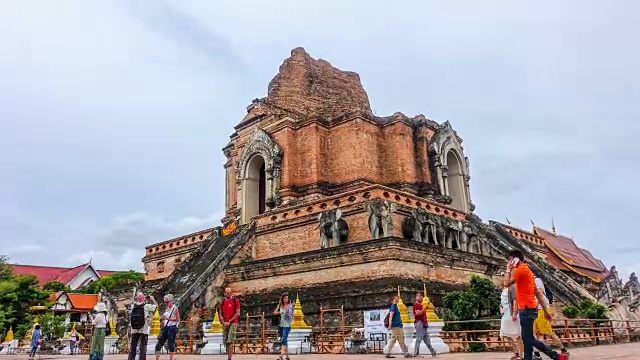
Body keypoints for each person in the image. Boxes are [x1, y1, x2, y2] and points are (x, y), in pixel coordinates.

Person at [504, 250, 559, 360]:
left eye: (510, 260)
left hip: (525, 308)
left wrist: (508, 270)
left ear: (516, 259)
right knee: (526, 338)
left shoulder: (520, 271)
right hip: (531, 308)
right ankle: (528, 358)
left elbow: (506, 283)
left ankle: (556, 356)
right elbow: (538, 294)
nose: (509, 262)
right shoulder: (528, 272)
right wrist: (545, 311)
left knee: (528, 339)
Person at [532, 274, 568, 359]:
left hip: (541, 310)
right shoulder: (531, 281)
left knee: (546, 332)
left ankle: (563, 350)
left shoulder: (537, 281)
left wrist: (535, 307)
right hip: (536, 310)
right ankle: (536, 354)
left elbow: (539, 294)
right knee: (534, 333)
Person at [128, 291, 158, 360]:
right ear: (143, 298)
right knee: (143, 346)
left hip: (134, 329)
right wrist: (153, 299)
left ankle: (131, 358)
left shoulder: (133, 306)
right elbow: (156, 307)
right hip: (143, 329)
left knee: (133, 346)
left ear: (137, 298)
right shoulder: (146, 306)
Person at [500, 285, 522, 360]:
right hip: (505, 313)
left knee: (518, 334)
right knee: (504, 334)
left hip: (512, 312)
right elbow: (501, 301)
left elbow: (515, 300)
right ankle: (515, 351)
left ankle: (520, 354)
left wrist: (514, 313)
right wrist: (500, 307)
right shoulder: (503, 289)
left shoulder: (513, 287)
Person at [155, 294, 180, 360]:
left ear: (171, 301)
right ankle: (157, 358)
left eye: (168, 302)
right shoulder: (167, 308)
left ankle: (171, 358)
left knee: (171, 343)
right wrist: (163, 322)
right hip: (166, 327)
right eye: (166, 302)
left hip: (172, 327)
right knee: (159, 343)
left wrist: (167, 319)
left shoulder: (175, 308)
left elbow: (177, 319)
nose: (167, 303)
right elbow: (165, 318)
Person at [219, 288, 241, 360]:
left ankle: (229, 358)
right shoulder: (222, 302)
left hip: (233, 322)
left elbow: (238, 313)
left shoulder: (235, 301)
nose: (228, 294)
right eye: (227, 293)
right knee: (226, 342)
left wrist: (229, 321)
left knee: (230, 341)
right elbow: (220, 313)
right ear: (224, 293)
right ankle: (229, 356)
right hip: (225, 323)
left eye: (230, 293)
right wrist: (223, 322)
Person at [413, 292, 436, 357]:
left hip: (424, 323)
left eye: (421, 296)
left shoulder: (421, 305)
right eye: (418, 296)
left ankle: (433, 351)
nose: (421, 298)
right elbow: (418, 313)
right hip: (419, 323)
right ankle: (416, 353)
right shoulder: (416, 305)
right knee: (419, 338)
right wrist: (425, 307)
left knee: (427, 339)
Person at [273, 293, 293, 360]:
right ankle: (287, 356)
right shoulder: (279, 305)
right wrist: (279, 312)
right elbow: (274, 312)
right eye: (285, 298)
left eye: (287, 298)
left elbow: (292, 315)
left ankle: (281, 356)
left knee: (283, 340)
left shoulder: (289, 306)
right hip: (281, 325)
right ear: (282, 299)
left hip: (287, 325)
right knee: (284, 341)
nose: (286, 299)